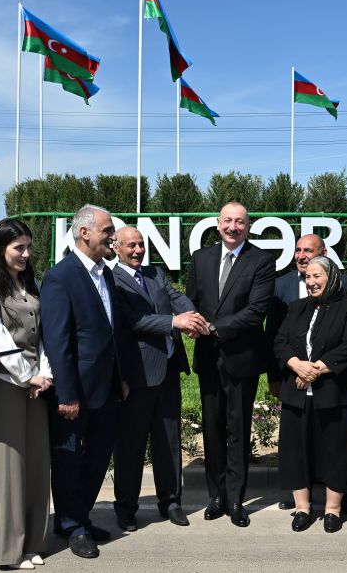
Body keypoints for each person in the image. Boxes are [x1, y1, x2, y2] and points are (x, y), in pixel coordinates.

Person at [41, 204, 134, 559]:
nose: (113, 236)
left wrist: (121, 377)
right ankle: (72, 525)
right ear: (84, 233)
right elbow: (58, 340)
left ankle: (79, 516)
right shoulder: (60, 277)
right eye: (108, 230)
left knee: (97, 457)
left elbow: (112, 332)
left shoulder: (105, 273)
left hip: (107, 387)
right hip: (75, 391)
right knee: (67, 461)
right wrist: (66, 394)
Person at [186, 201, 275, 528]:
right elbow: (191, 300)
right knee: (212, 429)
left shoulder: (262, 261)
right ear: (218, 223)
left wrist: (212, 328)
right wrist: (192, 321)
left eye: (239, 222)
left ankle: (236, 499)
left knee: (238, 430)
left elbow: (255, 312)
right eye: (227, 220)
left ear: (247, 226)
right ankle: (216, 496)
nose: (233, 227)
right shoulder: (201, 258)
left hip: (241, 360)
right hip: (208, 359)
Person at [111, 226, 206, 530]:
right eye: (131, 245)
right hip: (137, 376)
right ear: (116, 247)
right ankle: (126, 508)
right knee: (131, 446)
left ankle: (172, 502)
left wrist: (194, 319)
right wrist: (175, 322)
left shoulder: (155, 273)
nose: (138, 250)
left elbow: (177, 298)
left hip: (168, 371)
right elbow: (132, 321)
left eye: (141, 244)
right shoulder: (112, 279)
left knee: (169, 441)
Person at [0, 219, 54, 571]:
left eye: (28, 247)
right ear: (0, 247)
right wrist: (27, 375)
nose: (25, 253)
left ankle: (33, 542)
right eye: (18, 247)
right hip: (4, 382)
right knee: (9, 464)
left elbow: (43, 335)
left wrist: (45, 374)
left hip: (36, 381)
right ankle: (9, 550)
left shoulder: (30, 282)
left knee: (36, 462)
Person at [264, 232, 347, 513]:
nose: (311, 281)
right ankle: (302, 506)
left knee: (333, 448)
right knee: (296, 449)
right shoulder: (293, 305)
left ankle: (334, 507)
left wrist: (313, 370)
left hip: (330, 388)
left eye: (317, 276)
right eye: (309, 277)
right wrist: (295, 366)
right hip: (296, 387)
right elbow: (278, 339)